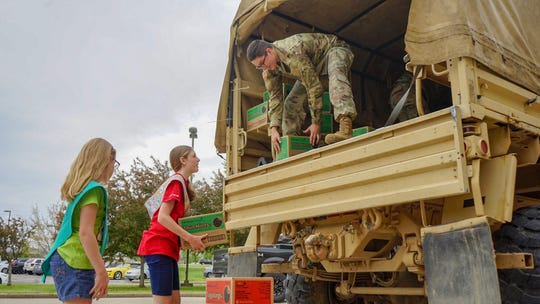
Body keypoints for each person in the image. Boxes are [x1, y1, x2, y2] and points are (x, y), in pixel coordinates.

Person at [247, 33, 358, 152]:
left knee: (336, 77)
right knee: (291, 103)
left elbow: (314, 87)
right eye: (259, 67)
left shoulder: (293, 52)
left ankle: (345, 128)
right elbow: (275, 97)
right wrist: (274, 128)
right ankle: (291, 145)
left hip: (334, 51)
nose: (263, 68)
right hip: (312, 68)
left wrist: (316, 123)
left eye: (262, 63)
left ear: (269, 51)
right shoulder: (268, 69)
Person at [41, 138, 118, 303]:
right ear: (105, 161)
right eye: (114, 162)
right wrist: (101, 271)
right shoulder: (94, 190)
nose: (113, 168)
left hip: (67, 258)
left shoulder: (82, 189)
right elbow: (85, 232)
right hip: (75, 260)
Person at [137, 145, 207, 304]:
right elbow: (162, 217)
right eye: (194, 156)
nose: (198, 159)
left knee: (174, 301)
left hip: (168, 250)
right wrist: (190, 238)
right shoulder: (176, 183)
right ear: (183, 160)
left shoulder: (182, 183)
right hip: (158, 247)